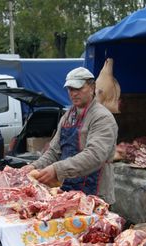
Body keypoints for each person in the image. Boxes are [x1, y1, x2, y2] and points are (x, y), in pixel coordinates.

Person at [23, 67, 118, 204]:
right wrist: (34, 166)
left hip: (95, 194)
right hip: (68, 191)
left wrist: (57, 169)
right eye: (70, 89)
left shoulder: (102, 118)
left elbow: (95, 155)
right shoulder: (68, 116)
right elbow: (54, 151)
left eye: (78, 88)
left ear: (92, 87)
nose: (73, 93)